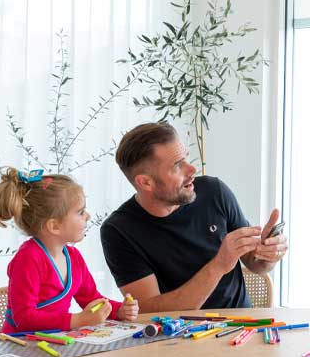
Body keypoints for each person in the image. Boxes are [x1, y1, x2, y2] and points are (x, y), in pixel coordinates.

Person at [100, 122, 287, 312]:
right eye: (177, 165)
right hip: (179, 330)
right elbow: (149, 310)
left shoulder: (214, 191)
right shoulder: (118, 231)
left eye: (186, 159)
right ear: (146, 182)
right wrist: (218, 265)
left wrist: (268, 254)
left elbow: (256, 264)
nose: (192, 170)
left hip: (241, 324)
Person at [0, 168, 140, 333]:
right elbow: (24, 318)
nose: (88, 216)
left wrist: (118, 310)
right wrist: (77, 320)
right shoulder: (28, 258)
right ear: (54, 226)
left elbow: (91, 299)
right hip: (19, 343)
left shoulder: (74, 257)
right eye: (80, 212)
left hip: (54, 341)